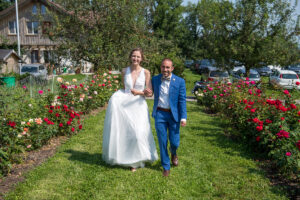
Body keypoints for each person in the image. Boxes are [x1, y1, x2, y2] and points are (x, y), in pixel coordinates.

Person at [102, 48, 158, 172]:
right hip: (124, 105)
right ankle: (126, 158)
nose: (135, 59)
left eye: (138, 57)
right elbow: (124, 88)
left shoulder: (146, 72)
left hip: (138, 105)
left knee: (138, 133)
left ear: (141, 58)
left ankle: (137, 159)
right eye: (133, 56)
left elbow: (149, 93)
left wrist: (139, 92)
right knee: (125, 132)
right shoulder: (124, 71)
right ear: (130, 57)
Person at [145, 58, 187, 177]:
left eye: (168, 67)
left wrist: (183, 117)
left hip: (174, 115)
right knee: (162, 141)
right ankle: (166, 166)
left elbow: (182, 100)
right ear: (161, 67)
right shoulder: (155, 79)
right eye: (163, 67)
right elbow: (150, 92)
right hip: (160, 114)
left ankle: (173, 153)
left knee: (174, 142)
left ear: (172, 68)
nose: (165, 69)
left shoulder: (180, 81)